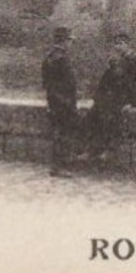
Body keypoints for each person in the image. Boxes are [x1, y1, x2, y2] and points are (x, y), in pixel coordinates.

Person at [88, 31, 136, 161]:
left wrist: (134, 102)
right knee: (95, 112)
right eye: (116, 44)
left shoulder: (135, 61)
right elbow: (106, 81)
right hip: (118, 96)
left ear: (128, 44)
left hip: (132, 97)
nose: (118, 47)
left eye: (121, 43)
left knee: (112, 113)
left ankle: (110, 149)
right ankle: (93, 149)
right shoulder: (115, 61)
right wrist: (98, 97)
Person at [41, 27, 79, 177]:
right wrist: (68, 100)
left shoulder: (49, 57)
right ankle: (60, 166)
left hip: (53, 100)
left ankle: (56, 165)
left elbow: (46, 82)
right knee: (64, 133)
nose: (71, 44)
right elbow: (68, 82)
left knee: (58, 132)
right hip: (64, 101)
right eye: (70, 40)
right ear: (64, 41)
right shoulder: (62, 58)